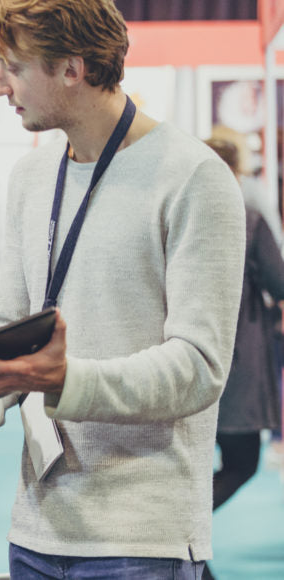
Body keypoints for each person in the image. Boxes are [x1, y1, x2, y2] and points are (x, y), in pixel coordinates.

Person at [0, 1, 245, 578]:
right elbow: (14, 318)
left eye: (13, 67)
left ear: (71, 69)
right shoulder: (32, 175)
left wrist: (64, 380)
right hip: (37, 528)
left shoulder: (193, 178)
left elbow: (200, 366)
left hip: (142, 538)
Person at [203, 137, 284, 579]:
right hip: (237, 359)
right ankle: (178, 531)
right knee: (242, 461)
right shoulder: (247, 216)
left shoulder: (178, 214)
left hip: (186, 358)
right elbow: (279, 280)